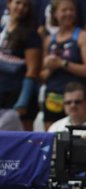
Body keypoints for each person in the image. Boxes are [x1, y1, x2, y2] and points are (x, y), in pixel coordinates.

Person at [40, 0, 86, 131]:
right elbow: (41, 75)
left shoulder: (83, 36)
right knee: (52, 137)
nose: (69, 13)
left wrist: (62, 63)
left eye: (71, 10)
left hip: (77, 97)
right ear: (55, 14)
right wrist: (50, 67)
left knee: (80, 138)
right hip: (53, 97)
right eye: (64, 10)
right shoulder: (49, 40)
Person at [0, 0, 42, 132]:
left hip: (18, 94)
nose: (21, 8)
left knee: (22, 139)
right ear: (9, 4)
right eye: (18, 3)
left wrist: (23, 100)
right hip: (2, 92)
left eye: (25, 5)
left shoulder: (31, 35)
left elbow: (33, 69)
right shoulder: (3, 30)